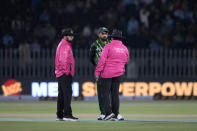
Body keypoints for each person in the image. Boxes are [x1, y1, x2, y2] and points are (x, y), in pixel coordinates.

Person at [94, 29, 129, 121]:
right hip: (119, 73)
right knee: (115, 94)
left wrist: (97, 72)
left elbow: (101, 60)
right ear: (120, 38)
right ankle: (116, 113)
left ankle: (109, 113)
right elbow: (126, 60)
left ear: (112, 38)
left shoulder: (108, 47)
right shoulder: (124, 48)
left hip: (107, 73)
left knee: (105, 93)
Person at [55, 28, 78, 121]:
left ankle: (60, 114)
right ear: (65, 36)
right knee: (67, 93)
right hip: (64, 73)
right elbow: (64, 60)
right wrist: (67, 71)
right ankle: (67, 115)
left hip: (61, 73)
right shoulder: (65, 45)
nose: (72, 37)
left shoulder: (64, 44)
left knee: (62, 94)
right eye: (70, 35)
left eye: (72, 36)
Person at [89, 27, 111, 120]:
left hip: (110, 71)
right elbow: (91, 57)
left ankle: (112, 112)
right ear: (99, 34)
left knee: (111, 93)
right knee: (101, 93)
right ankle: (103, 112)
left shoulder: (111, 44)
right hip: (100, 72)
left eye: (106, 33)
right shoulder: (94, 45)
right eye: (103, 33)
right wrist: (97, 66)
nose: (105, 35)